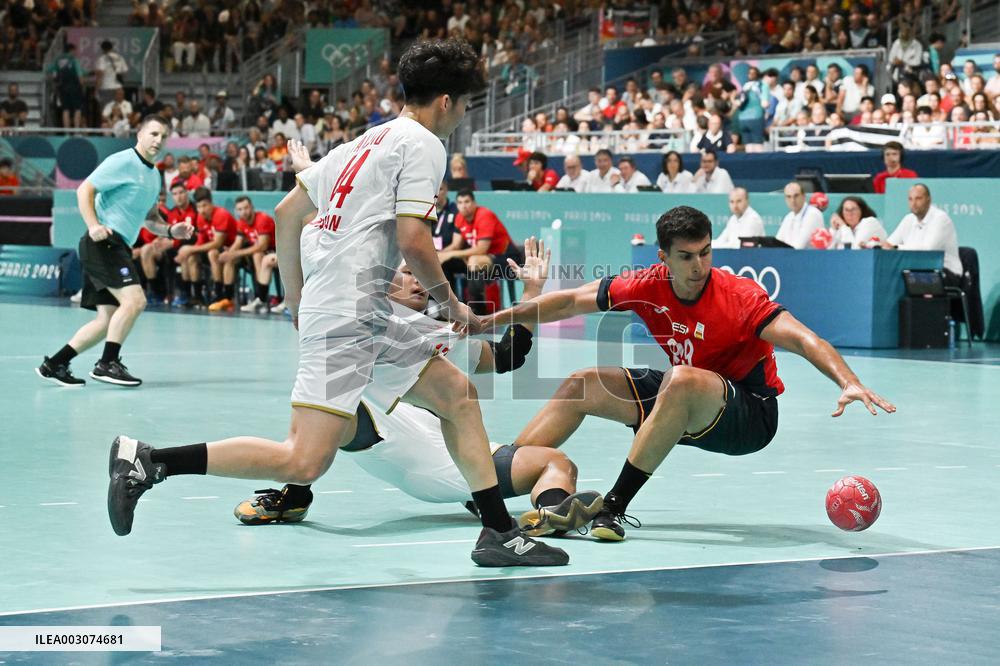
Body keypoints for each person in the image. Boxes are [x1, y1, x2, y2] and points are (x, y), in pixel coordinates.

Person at [104, 40, 568, 568]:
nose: (462, 115)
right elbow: (415, 240)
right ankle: (149, 461)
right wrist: (453, 306)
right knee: (304, 457)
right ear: (446, 101)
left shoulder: (364, 141)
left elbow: (285, 213)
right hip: (351, 312)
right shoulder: (424, 144)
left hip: (357, 307)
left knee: (457, 393)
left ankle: (497, 531)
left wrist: (296, 302)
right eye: (464, 105)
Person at [483, 205, 895, 541]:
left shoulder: (739, 297)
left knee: (679, 379)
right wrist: (494, 321)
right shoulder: (646, 285)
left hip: (749, 415)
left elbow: (806, 340)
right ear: (663, 257)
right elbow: (570, 302)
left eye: (705, 252)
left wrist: (848, 380)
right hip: (687, 392)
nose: (699, 265)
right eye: (686, 256)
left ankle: (612, 508)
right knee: (582, 383)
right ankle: (503, 481)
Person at [234, 239, 604, 537]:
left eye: (425, 277)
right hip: (391, 440)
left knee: (556, 461)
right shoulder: (360, 319)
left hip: (451, 462)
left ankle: (550, 515)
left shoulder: (442, 332)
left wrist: (532, 290)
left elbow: (508, 356)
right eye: (410, 273)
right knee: (332, 398)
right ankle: (294, 493)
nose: (421, 282)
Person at [36, 116, 194, 388]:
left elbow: (150, 218)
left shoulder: (154, 176)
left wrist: (171, 231)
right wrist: (94, 224)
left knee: (106, 320)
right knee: (135, 301)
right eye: (153, 133)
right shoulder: (123, 161)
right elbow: (85, 189)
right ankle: (107, 363)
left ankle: (55, 363)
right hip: (104, 242)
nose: (158, 140)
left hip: (116, 245)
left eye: (163, 136)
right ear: (140, 134)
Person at [207, 195, 276, 314]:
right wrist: (228, 254)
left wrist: (236, 253)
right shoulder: (241, 223)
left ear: (252, 207)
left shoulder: (262, 219)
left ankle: (260, 299)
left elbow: (263, 246)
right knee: (230, 259)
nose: (243, 212)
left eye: (246, 208)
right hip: (254, 252)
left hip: (273, 251)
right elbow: (238, 243)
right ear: (236, 211)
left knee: (257, 255)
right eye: (240, 209)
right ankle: (227, 299)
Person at [880, 183, 961, 279]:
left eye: (918, 198)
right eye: (910, 199)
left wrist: (897, 247)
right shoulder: (908, 219)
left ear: (928, 200)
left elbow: (928, 250)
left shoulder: (940, 218)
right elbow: (889, 245)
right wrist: (875, 246)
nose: (913, 203)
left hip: (945, 271)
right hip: (915, 269)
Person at [776, 181, 825, 248]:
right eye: (789, 197)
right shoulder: (789, 216)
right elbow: (778, 242)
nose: (792, 200)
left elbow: (799, 246)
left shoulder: (813, 214)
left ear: (803, 196)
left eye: (796, 196)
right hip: (789, 255)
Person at [47, 44, 86, 129]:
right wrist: (82, 85)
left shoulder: (58, 60)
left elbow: (49, 69)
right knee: (77, 109)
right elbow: (80, 74)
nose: (76, 53)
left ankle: (67, 132)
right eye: (75, 51)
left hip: (62, 88)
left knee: (65, 109)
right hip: (75, 87)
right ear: (71, 50)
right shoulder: (74, 60)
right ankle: (76, 130)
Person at [95, 40, 128, 108]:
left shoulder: (102, 59)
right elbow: (125, 72)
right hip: (119, 88)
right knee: (118, 113)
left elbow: (100, 75)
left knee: (106, 113)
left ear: (102, 49)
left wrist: (96, 90)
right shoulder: (120, 57)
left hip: (106, 88)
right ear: (112, 48)